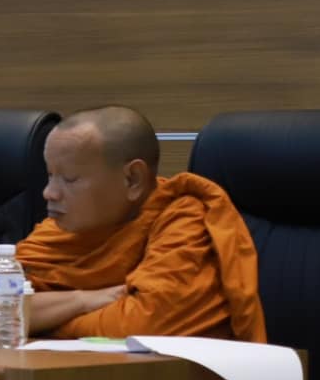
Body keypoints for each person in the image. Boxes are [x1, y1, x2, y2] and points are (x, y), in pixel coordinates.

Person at [17, 106, 265, 340]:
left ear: (133, 179)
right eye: (50, 175)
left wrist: (41, 321)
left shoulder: (184, 220)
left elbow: (143, 327)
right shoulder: (60, 230)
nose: (49, 193)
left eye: (70, 179)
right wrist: (82, 300)